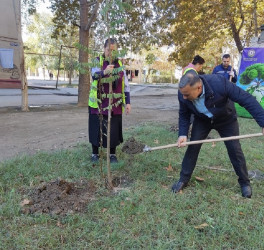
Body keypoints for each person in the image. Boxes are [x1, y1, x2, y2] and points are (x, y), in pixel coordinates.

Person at [171, 72, 264, 198]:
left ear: (198, 87)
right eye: (183, 94)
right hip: (202, 119)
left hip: (226, 119)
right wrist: (182, 134)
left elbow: (246, 99)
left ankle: (244, 183)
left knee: (234, 149)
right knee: (193, 147)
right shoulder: (183, 93)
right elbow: (184, 113)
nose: (184, 97)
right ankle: (183, 179)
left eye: (187, 94)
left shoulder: (220, 83)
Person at [89, 38, 131, 163]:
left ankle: (112, 154)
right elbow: (94, 75)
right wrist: (105, 72)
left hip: (115, 104)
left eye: (113, 51)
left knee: (113, 128)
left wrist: (128, 102)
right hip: (98, 103)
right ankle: (94, 153)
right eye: (108, 50)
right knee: (96, 127)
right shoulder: (97, 61)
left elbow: (126, 85)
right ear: (104, 49)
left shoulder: (120, 65)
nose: (111, 53)